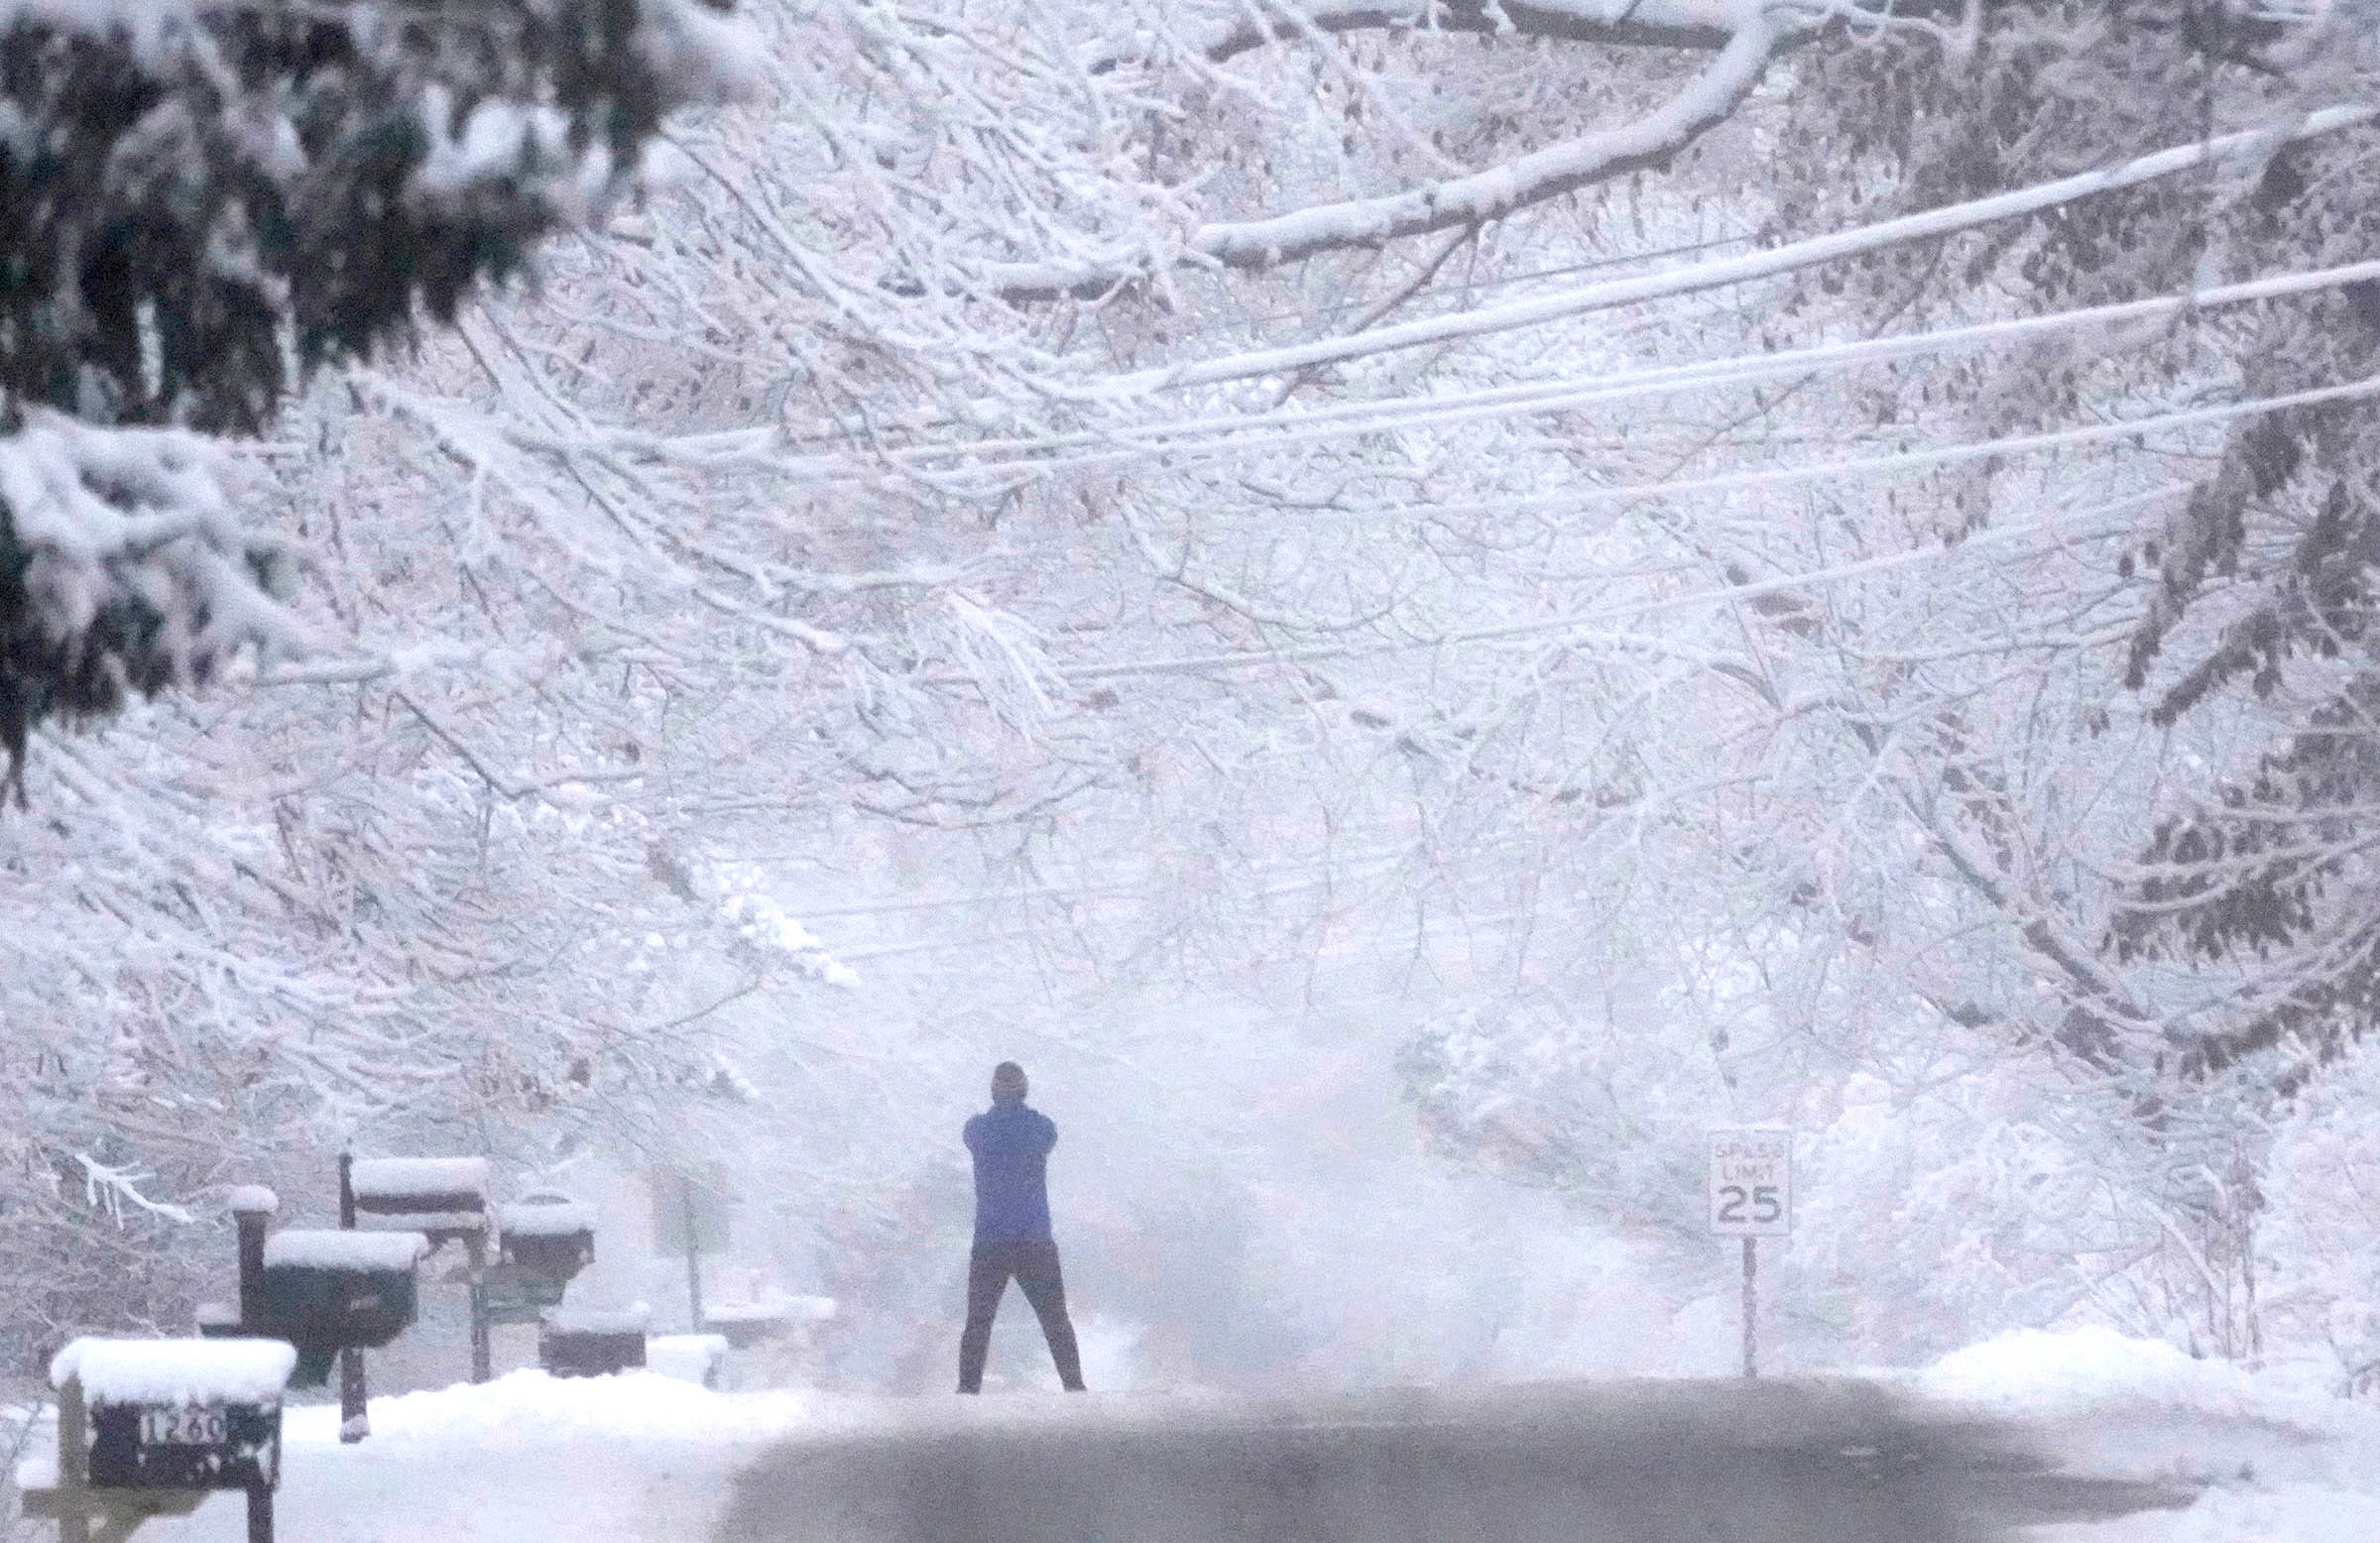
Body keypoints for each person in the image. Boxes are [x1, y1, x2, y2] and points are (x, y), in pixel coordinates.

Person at [957, 1060, 1086, 1392]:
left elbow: (974, 1136)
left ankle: (967, 1389)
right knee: (1055, 1320)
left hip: (990, 1240)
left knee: (979, 1322)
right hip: (1034, 1238)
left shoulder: (978, 1130)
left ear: (993, 1090)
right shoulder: (1040, 1129)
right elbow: (1045, 1136)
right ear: (1024, 1090)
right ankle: (1074, 1386)